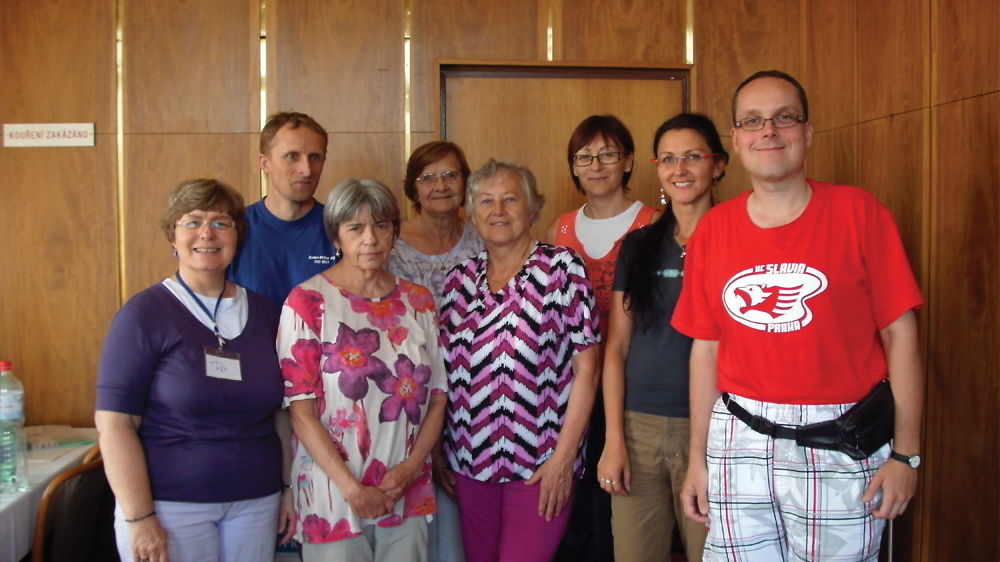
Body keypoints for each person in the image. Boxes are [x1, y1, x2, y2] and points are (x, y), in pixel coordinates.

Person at [673, 70, 925, 561]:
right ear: (737, 140)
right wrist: (698, 460)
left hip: (839, 438)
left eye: (784, 118)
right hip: (738, 438)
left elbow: (902, 335)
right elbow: (706, 348)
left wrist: (906, 454)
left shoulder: (860, 213)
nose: (769, 131)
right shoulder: (714, 230)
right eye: (753, 121)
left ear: (807, 132)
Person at [96, 178, 293, 562]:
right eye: (192, 221)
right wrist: (140, 518)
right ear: (173, 235)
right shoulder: (143, 316)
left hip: (257, 502)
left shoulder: (269, 315)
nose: (207, 233)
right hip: (170, 509)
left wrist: (288, 487)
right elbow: (115, 425)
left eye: (222, 222)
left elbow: (281, 415)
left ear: (238, 236)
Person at [278, 178, 448, 562]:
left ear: (394, 234)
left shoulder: (418, 301)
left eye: (381, 225)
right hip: (333, 493)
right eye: (355, 227)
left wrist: (409, 469)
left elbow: (438, 398)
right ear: (336, 236)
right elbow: (301, 414)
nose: (369, 238)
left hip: (406, 489)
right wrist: (352, 490)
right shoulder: (307, 303)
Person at [439, 159, 600, 562]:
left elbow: (588, 370)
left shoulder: (562, 269)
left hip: (541, 464)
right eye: (487, 201)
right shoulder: (457, 281)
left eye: (511, 199)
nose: (499, 210)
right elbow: (444, 376)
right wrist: (438, 451)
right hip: (469, 460)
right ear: (472, 213)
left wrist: (564, 458)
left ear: (532, 209)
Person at [598, 113, 728, 562]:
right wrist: (614, 439)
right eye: (669, 159)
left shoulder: (740, 238)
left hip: (719, 430)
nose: (680, 169)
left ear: (719, 165)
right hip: (639, 429)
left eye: (693, 156)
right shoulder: (638, 246)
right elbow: (615, 348)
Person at [545, 115, 660, 562]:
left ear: (628, 161)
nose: (596, 165)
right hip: (571, 385)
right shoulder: (561, 228)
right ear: (573, 167)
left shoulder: (653, 222)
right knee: (577, 503)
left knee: (623, 499)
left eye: (608, 154)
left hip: (630, 385)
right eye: (584, 157)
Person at [387, 140, 484, 562]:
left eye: (450, 175)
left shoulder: (486, 237)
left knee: (465, 530)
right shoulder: (390, 246)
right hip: (413, 394)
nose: (440, 185)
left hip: (477, 392)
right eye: (428, 177)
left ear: (465, 182)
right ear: (412, 188)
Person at [228, 111, 337, 307]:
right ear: (265, 163)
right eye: (292, 156)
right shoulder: (233, 229)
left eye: (315, 157)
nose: (307, 170)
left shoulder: (340, 228)